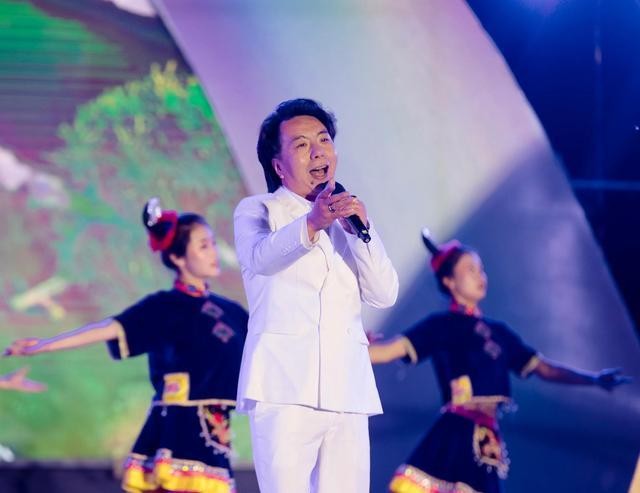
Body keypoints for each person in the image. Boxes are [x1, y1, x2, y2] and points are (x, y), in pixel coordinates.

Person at [5, 198, 248, 493]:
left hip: (217, 428)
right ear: (178, 257)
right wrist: (44, 345)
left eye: (213, 244)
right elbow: (108, 328)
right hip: (178, 426)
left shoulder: (231, 312)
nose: (213, 253)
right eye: (203, 246)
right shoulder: (164, 306)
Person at [369, 229, 631, 493]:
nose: (480, 276)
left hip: (487, 437)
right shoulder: (441, 326)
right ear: (449, 281)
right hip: (457, 430)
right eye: (470, 270)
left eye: (481, 270)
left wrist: (593, 379)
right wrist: (356, 347)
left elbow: (544, 368)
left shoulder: (500, 333)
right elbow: (388, 351)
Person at [233, 98, 399, 493]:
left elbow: (384, 293)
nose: (318, 151)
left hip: (348, 389)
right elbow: (261, 259)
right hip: (284, 387)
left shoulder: (349, 220)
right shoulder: (259, 210)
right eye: (302, 144)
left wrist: (362, 231)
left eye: (324, 140)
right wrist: (312, 222)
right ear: (278, 166)